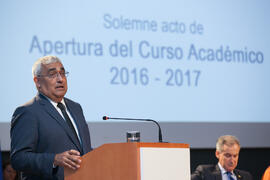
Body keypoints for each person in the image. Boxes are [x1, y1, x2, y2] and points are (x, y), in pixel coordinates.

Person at [10, 55, 92, 180]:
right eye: (53, 74)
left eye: (63, 73)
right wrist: (54, 159)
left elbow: (83, 149)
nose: (60, 79)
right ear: (37, 82)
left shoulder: (76, 108)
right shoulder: (28, 112)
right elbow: (18, 158)